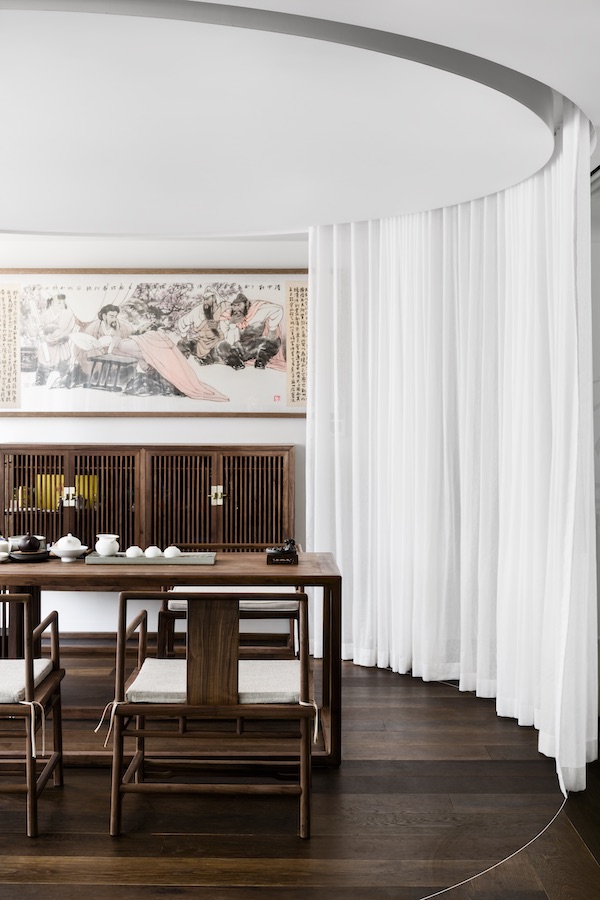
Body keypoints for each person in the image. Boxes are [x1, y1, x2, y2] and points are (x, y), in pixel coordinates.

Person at [218, 293, 285, 370]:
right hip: (239, 349)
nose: (236, 309)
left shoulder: (256, 310)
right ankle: (237, 364)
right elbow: (231, 341)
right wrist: (232, 324)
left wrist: (272, 329)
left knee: (275, 340)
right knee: (222, 346)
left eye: (239, 305)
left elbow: (278, 309)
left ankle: (261, 361)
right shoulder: (226, 317)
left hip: (256, 347)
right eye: (234, 305)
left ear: (246, 305)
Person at [35, 294, 76, 385]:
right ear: (52, 302)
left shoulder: (67, 314)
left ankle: (63, 380)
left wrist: (63, 337)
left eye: (63, 302)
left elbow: (69, 329)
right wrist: (43, 334)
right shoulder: (46, 314)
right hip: (47, 343)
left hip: (61, 342)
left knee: (63, 361)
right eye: (59, 302)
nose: (62, 304)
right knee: (44, 361)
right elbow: (40, 328)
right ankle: (41, 380)